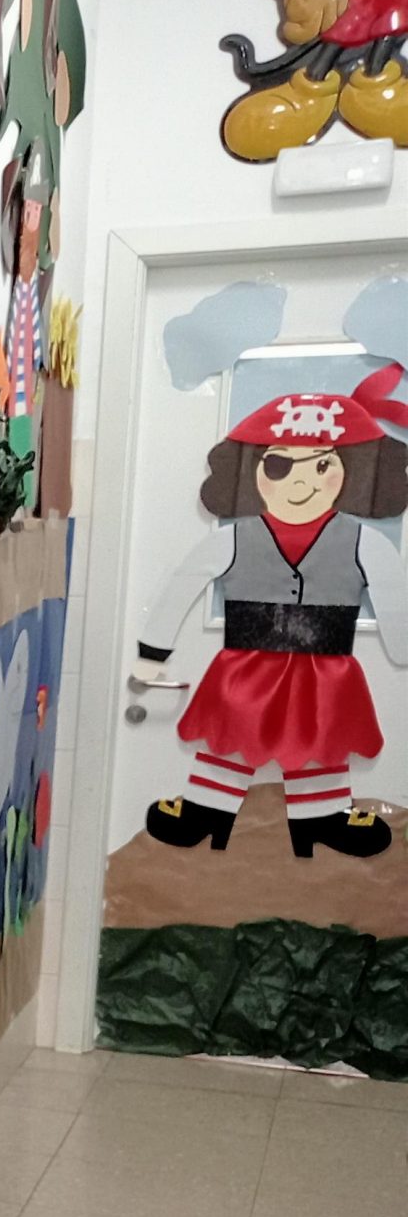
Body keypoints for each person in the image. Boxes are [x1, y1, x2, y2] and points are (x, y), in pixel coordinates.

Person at [138, 364, 408, 858]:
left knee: (320, 739)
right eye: (280, 465)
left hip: (325, 668)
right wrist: (153, 651)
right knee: (231, 735)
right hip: (247, 665)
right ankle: (207, 811)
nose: (300, 481)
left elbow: (394, 595)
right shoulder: (232, 538)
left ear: (351, 472)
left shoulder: (365, 542)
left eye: (321, 466)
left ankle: (321, 818)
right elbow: (183, 584)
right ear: (252, 472)